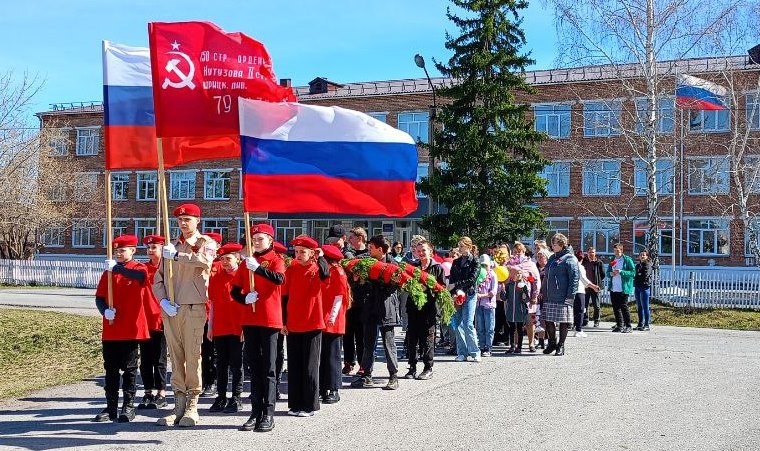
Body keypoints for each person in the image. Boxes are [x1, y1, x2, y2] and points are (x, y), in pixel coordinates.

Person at [153, 204, 217, 428]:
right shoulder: (172, 246)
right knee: (176, 356)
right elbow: (158, 279)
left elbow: (205, 261)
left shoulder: (205, 243)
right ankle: (178, 403)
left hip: (193, 308)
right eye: (180, 220)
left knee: (192, 356)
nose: (183, 223)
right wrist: (162, 301)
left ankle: (192, 404)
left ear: (197, 221)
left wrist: (179, 256)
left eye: (187, 219)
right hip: (172, 308)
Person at [230, 223, 285, 432]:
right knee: (254, 367)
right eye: (254, 240)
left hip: (270, 320)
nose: (256, 242)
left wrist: (259, 269)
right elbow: (234, 291)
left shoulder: (276, 260)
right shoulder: (246, 264)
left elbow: (279, 279)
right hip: (251, 319)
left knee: (269, 368)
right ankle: (255, 412)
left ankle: (268, 413)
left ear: (270, 241)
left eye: (260, 239)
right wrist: (244, 299)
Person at [93, 235, 151, 423]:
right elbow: (99, 297)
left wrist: (117, 268)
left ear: (133, 251)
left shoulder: (138, 268)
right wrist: (104, 311)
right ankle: (110, 406)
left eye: (122, 250)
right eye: (116, 251)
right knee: (110, 370)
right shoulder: (108, 273)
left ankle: (128, 405)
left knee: (129, 369)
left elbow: (141, 278)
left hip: (130, 328)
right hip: (111, 329)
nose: (118, 253)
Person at [282, 235, 328, 417]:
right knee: (294, 365)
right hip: (293, 322)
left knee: (310, 366)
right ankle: (295, 404)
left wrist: (321, 256)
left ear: (311, 253)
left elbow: (326, 275)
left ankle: (309, 405)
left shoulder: (317, 268)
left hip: (313, 322)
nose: (299, 254)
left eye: (303, 252)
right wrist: (283, 321)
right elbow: (284, 297)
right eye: (297, 251)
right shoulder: (290, 269)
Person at [351, 235, 401, 390]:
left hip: (386, 308)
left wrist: (376, 278)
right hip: (370, 306)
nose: (368, 249)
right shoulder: (365, 261)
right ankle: (366, 375)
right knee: (368, 343)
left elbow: (392, 287)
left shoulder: (393, 263)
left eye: (371, 247)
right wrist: (358, 279)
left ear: (380, 249)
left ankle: (393, 376)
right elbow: (358, 285)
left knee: (388, 343)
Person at [207, 243, 245, 414]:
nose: (225, 262)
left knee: (237, 364)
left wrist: (246, 327)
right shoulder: (216, 278)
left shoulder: (244, 276)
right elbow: (213, 304)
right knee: (221, 364)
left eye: (228, 258)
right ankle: (221, 397)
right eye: (222, 259)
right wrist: (210, 326)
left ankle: (236, 397)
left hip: (238, 326)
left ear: (237, 258)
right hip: (220, 327)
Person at [136, 235, 168, 410]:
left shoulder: (168, 268)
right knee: (146, 359)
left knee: (160, 359)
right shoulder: (143, 268)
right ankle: (147, 392)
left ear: (162, 248)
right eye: (148, 248)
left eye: (154, 247)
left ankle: (161, 392)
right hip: (145, 320)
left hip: (161, 318)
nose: (150, 251)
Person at [404, 240, 445, 379]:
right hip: (413, 308)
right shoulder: (413, 267)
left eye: (424, 251)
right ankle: (412, 367)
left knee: (428, 338)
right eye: (419, 251)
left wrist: (428, 288)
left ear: (430, 252)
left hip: (429, 308)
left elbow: (442, 288)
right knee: (412, 337)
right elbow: (406, 284)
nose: (421, 253)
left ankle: (428, 367)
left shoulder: (437, 268)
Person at [319, 244, 350, 403]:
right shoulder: (325, 271)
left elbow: (339, 296)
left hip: (333, 319)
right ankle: (322, 387)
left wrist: (331, 318)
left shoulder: (338, 272)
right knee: (321, 355)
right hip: (321, 317)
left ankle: (334, 388)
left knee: (332, 356)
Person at [541, 233, 579, 356]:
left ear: (562, 245)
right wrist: (542, 290)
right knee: (548, 320)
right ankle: (552, 342)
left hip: (563, 296)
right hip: (549, 294)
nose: (552, 246)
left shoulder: (570, 259)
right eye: (552, 244)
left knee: (563, 322)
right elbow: (546, 275)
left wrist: (570, 297)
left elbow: (574, 279)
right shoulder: (552, 258)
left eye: (555, 244)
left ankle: (561, 345)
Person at [449, 236, 481, 362]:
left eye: (461, 246)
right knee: (457, 324)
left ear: (468, 246)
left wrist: (458, 286)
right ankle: (462, 352)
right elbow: (452, 279)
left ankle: (475, 351)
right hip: (457, 295)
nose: (459, 248)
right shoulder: (456, 262)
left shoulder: (475, 261)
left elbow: (472, 279)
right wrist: (454, 291)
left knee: (468, 323)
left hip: (470, 294)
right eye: (459, 245)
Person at [343, 227, 369, 375]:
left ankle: (362, 364)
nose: (349, 240)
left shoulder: (368, 255)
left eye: (352, 237)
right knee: (347, 333)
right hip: (349, 299)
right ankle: (348, 362)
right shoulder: (348, 253)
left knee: (361, 335)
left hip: (363, 301)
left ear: (359, 238)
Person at [608, 243, 635, 333]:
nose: (616, 253)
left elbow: (633, 272)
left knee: (624, 307)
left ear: (622, 250)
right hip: (614, 287)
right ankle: (620, 325)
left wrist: (621, 272)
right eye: (615, 251)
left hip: (623, 288)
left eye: (618, 251)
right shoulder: (612, 259)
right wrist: (611, 274)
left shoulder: (627, 260)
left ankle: (628, 326)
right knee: (616, 307)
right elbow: (608, 272)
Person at [474, 254, 498, 357]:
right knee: (480, 328)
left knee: (489, 328)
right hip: (479, 305)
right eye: (482, 265)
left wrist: (482, 295)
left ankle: (488, 347)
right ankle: (482, 346)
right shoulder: (478, 274)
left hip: (489, 305)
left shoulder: (493, 275)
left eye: (485, 265)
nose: (484, 267)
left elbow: (494, 291)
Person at [573, 250, 599, 338]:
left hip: (571, 291)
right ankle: (579, 330)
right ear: (582, 258)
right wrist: (594, 286)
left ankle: (575, 326)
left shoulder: (570, 266)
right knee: (581, 310)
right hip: (579, 290)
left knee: (575, 311)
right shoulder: (580, 267)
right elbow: (584, 280)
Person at [581, 247, 605, 327]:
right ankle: (585, 320)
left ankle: (596, 321)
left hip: (595, 286)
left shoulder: (599, 262)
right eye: (590, 252)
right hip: (585, 287)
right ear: (587, 253)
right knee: (585, 305)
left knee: (596, 305)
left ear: (595, 253)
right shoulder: (584, 262)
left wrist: (597, 282)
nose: (591, 254)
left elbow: (603, 274)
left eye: (593, 252)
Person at [634, 250, 654, 331]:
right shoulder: (638, 265)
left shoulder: (648, 265)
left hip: (644, 287)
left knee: (645, 306)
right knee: (639, 307)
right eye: (641, 255)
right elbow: (635, 275)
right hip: (637, 287)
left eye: (644, 255)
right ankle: (640, 323)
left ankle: (647, 325)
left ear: (647, 256)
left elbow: (645, 275)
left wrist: (638, 275)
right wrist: (638, 275)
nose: (642, 256)